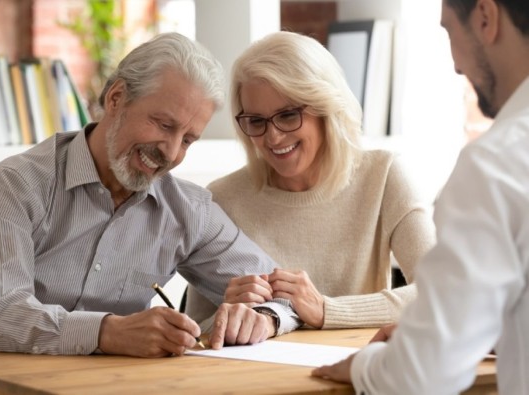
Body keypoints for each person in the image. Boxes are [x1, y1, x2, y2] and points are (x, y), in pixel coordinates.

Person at [0, 32, 301, 358]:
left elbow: (283, 293)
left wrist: (264, 317)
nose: (171, 151)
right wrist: (107, 332)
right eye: (164, 125)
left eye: (188, 139)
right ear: (116, 98)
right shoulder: (15, 184)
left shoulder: (188, 210)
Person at [312, 0, 529, 393]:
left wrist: (370, 364)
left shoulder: (495, 166)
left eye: (448, 31)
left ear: (485, 17)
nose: (456, 66)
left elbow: (421, 376)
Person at [185, 31, 436, 330]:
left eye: (288, 115)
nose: (273, 137)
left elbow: (441, 291)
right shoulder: (223, 199)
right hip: (258, 374)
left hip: (356, 368)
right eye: (256, 121)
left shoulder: (384, 176)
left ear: (326, 109)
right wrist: (228, 313)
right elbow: (195, 332)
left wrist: (326, 310)